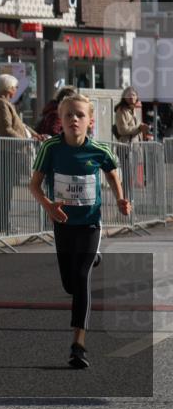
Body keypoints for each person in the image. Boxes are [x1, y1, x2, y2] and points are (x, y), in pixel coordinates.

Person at [29, 94, 130, 368]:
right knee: (70, 284)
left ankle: (78, 345)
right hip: (63, 224)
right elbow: (34, 185)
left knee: (83, 277)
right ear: (60, 120)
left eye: (80, 115)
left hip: (90, 223)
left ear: (90, 121)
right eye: (68, 115)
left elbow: (112, 172)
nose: (74, 119)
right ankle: (90, 261)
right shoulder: (51, 148)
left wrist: (120, 197)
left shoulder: (99, 150)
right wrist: (49, 206)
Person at [0, 74, 42, 233]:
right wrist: (26, 140)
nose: (16, 90)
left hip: (9, 151)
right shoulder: (1, 104)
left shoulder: (6, 104)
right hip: (6, 152)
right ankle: (2, 224)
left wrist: (33, 135)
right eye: (15, 87)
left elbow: (20, 124)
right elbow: (6, 129)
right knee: (4, 191)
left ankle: (4, 223)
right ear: (9, 88)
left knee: (7, 190)